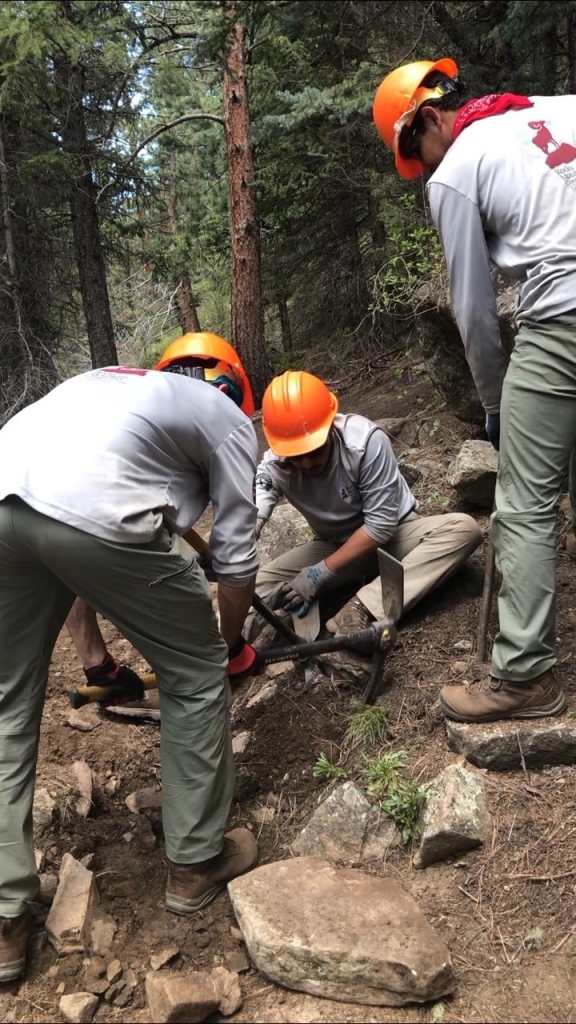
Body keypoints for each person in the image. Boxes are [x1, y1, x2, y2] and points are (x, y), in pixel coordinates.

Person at [0, 331, 263, 981]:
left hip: (6, 498)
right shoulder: (227, 416)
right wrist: (222, 649)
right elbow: (236, 556)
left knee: (6, 703)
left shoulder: (103, 388)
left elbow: (61, 543)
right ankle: (196, 861)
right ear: (235, 388)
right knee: (194, 675)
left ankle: (5, 920)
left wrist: (97, 663)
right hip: (88, 509)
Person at [372, 58, 576, 722]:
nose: (421, 165)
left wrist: (494, 404)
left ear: (430, 117)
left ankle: (524, 677)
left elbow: (475, 311)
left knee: (523, 502)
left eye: (413, 149)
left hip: (564, 311)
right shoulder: (556, 106)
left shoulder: (457, 170)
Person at [248, 369, 482, 643]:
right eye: (297, 456)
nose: (307, 463)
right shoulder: (276, 462)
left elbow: (380, 527)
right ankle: (223, 653)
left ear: (330, 425)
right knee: (252, 588)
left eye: (315, 450)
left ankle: (362, 608)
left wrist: (318, 573)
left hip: (396, 538)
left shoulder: (365, 442)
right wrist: (241, 535)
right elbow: (256, 507)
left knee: (463, 530)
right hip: (334, 545)